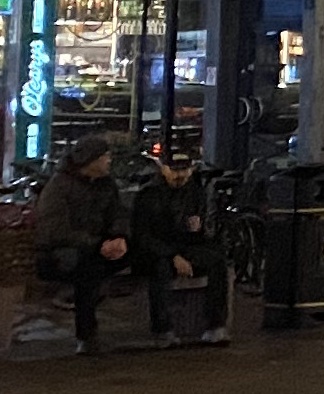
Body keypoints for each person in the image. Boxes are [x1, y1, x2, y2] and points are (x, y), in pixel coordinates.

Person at [32, 138, 133, 354]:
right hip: (60, 252)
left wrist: (119, 237)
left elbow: (118, 214)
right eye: (105, 156)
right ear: (91, 160)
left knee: (138, 253)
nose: (109, 160)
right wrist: (97, 245)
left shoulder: (107, 184)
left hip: (99, 246)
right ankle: (87, 336)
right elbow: (55, 232)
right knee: (89, 270)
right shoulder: (59, 187)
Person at [131, 144, 230, 345]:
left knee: (217, 261)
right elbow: (143, 236)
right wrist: (172, 255)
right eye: (174, 170)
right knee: (161, 269)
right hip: (156, 251)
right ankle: (163, 329)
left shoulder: (195, 192)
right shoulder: (148, 194)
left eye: (184, 170)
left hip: (184, 247)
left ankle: (215, 325)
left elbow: (201, 231)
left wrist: (200, 231)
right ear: (163, 169)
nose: (180, 175)